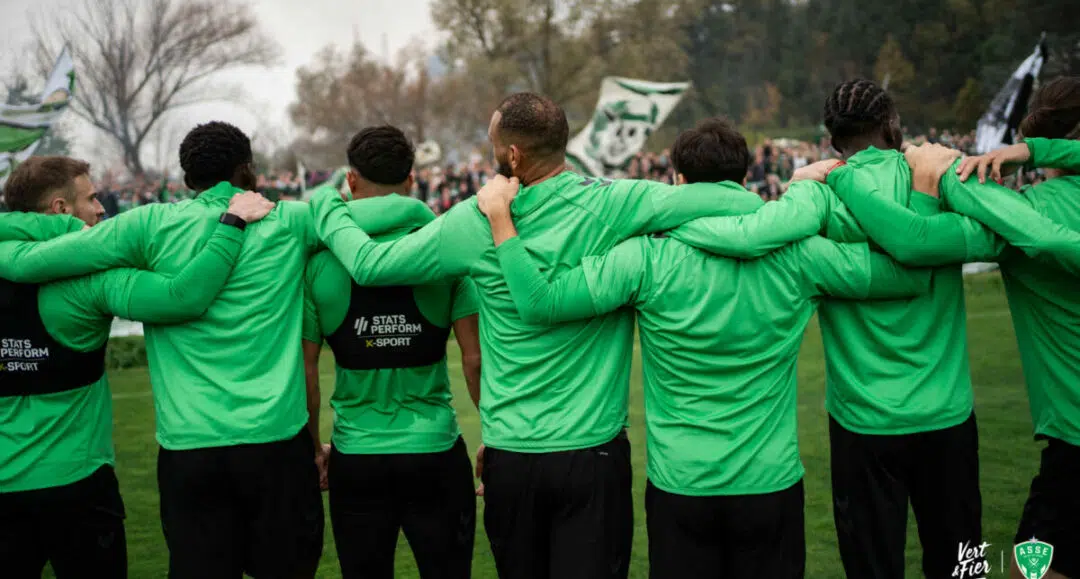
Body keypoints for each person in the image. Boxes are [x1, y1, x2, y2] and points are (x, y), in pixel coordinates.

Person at [305, 93, 768, 579]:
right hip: (593, 450)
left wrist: (327, 206)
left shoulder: (474, 218)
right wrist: (802, 191)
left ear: (512, 156)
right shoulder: (615, 201)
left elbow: (370, 264)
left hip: (514, 453)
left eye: (492, 143)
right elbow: (722, 197)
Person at [474, 118, 931, 579]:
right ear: (745, 177)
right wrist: (861, 188)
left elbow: (541, 301)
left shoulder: (645, 258)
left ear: (678, 181)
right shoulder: (799, 253)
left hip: (681, 485)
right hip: (767, 481)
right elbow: (911, 269)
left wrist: (500, 220)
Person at [661, 81, 986, 579]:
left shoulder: (825, 193)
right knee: (966, 564)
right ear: (893, 125)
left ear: (833, 140)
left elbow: (754, 235)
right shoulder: (939, 175)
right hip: (948, 412)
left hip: (863, 420)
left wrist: (681, 224)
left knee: (871, 567)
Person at [0, 122, 326, 579]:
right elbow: (369, 239)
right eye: (91, 199)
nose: (98, 207)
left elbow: (30, 261)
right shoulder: (292, 220)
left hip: (189, 448)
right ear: (247, 171)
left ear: (187, 177)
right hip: (275, 441)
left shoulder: (146, 224)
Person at [840, 76, 1080, 579]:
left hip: (878, 422)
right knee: (964, 567)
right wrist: (1029, 152)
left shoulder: (1023, 216)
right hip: (951, 423)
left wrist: (944, 177)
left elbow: (915, 243)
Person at [302, 126, 482, 579]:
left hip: (358, 458)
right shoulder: (444, 250)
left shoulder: (321, 263)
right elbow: (475, 359)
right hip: (435, 451)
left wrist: (313, 450)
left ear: (352, 183)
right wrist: (497, 439)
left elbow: (304, 370)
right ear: (410, 181)